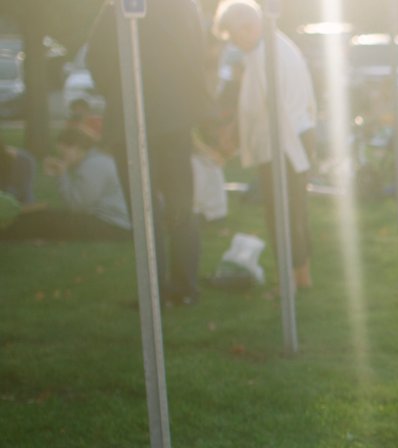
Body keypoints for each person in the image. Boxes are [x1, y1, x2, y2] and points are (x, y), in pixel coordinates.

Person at [87, 0, 209, 305]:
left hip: (132, 114)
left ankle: (153, 291)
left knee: (143, 209)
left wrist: (118, 90)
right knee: (181, 202)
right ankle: (184, 288)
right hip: (174, 117)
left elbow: (96, 58)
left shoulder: (118, 6)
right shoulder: (185, 7)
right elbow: (197, 54)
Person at [213, 0, 318, 288]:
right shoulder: (275, 46)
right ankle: (300, 275)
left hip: (284, 145)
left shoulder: (267, 55)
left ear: (251, 26)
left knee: (282, 213)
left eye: (235, 35)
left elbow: (276, 112)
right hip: (296, 138)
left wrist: (233, 144)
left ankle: (298, 280)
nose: (235, 42)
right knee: (295, 210)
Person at [1, 128, 130, 241]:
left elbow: (77, 207)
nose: (62, 157)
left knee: (44, 221)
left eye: (63, 152)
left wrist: (62, 175)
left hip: (109, 225)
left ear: (76, 147)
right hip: (103, 221)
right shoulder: (94, 161)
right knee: (45, 217)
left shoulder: (94, 165)